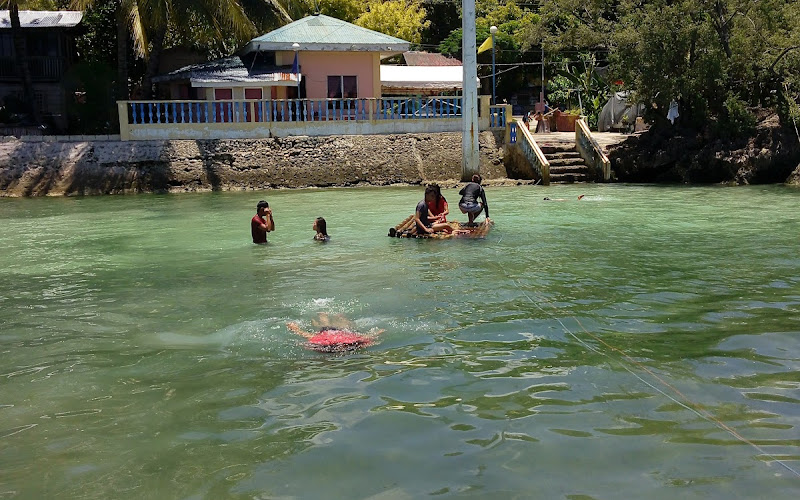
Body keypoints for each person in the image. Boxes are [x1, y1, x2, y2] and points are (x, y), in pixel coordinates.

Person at [287, 312, 385, 353]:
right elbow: (362, 337)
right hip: (346, 341)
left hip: (331, 342)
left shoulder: (324, 335)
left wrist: (295, 329)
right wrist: (375, 334)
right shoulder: (347, 335)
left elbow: (308, 336)